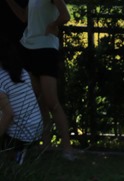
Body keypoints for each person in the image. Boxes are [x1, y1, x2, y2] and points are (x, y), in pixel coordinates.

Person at [5, 0, 74, 160]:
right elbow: (23, 17)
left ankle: (68, 149)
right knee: (39, 100)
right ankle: (46, 145)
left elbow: (65, 16)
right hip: (28, 47)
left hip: (46, 48)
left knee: (52, 102)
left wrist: (52, 25)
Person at [0, 40, 42, 164]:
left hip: (21, 135)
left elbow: (9, 114)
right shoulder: (22, 72)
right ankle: (22, 152)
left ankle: (17, 153)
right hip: (36, 130)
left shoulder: (0, 78)